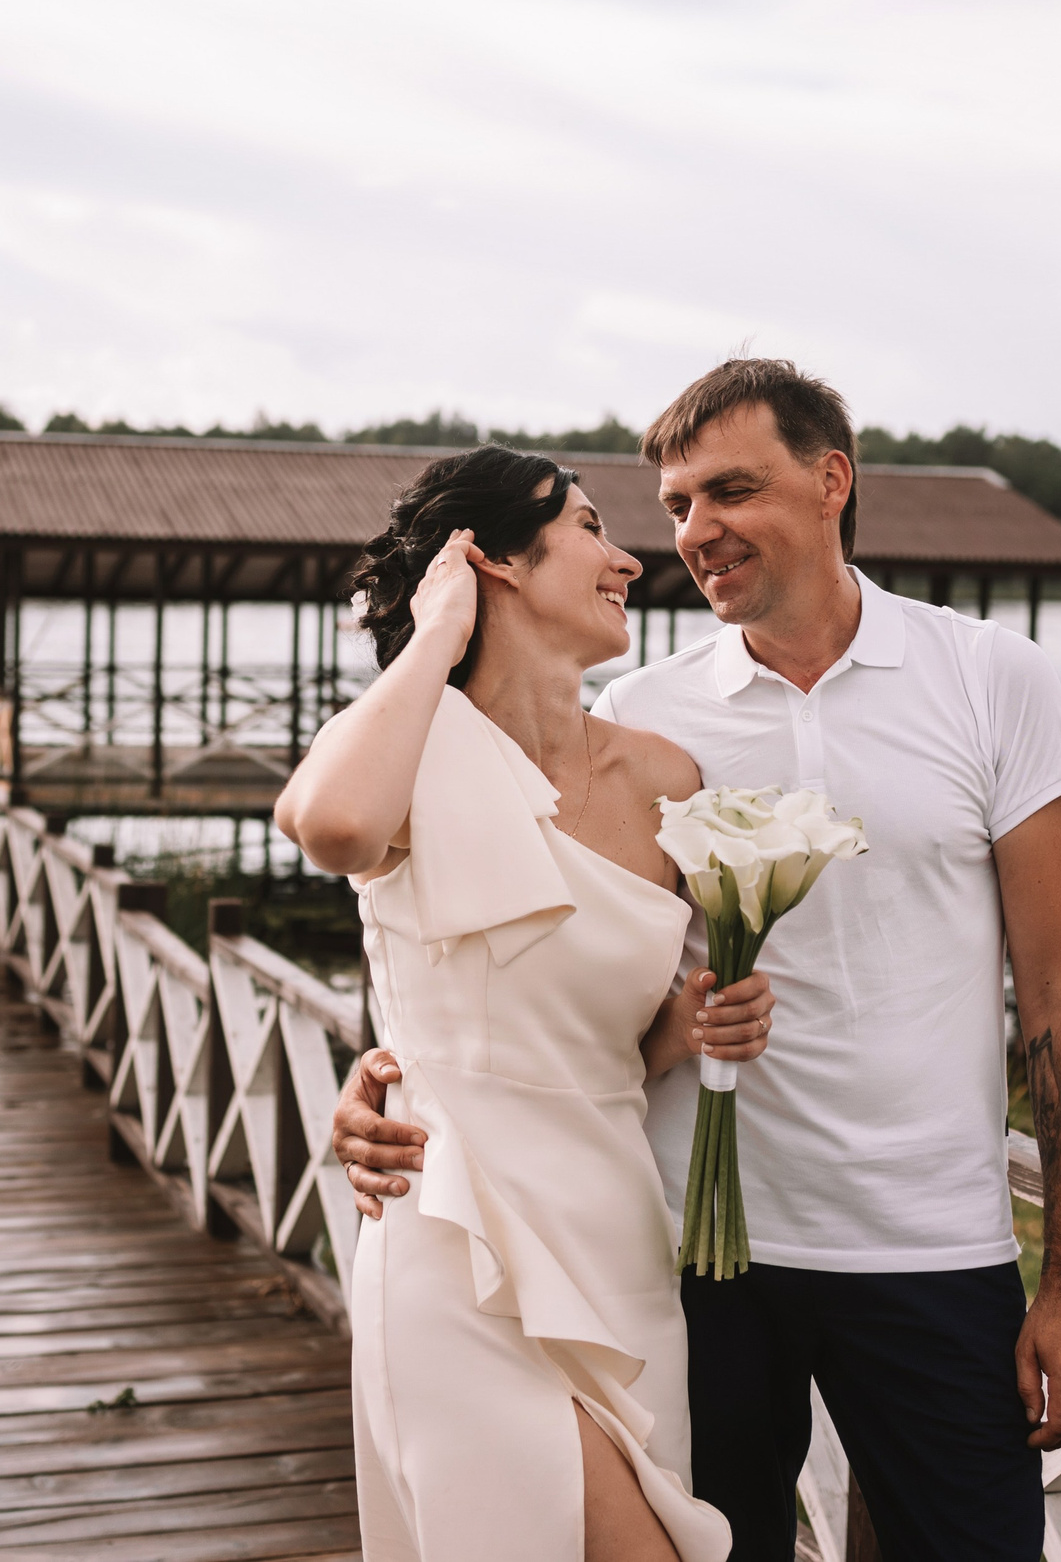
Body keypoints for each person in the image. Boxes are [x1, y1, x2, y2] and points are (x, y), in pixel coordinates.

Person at [334, 361, 1061, 1561]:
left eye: (731, 492)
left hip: (932, 1249)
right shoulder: (648, 717)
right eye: (678, 506)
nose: (695, 533)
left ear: (830, 482)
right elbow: (467, 910)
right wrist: (385, 1071)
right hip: (697, 1258)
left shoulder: (992, 680)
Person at [277, 445, 779, 1562]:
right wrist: (439, 632)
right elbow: (333, 829)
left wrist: (697, 1023)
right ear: (494, 560)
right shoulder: (411, 751)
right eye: (592, 528)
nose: (627, 560)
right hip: (454, 1227)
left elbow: (626, 1041)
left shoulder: (666, 780)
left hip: (613, 1227)